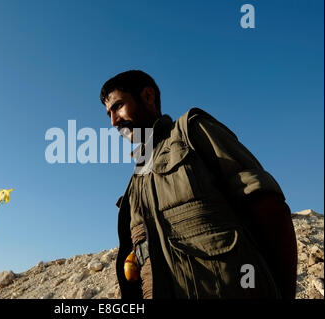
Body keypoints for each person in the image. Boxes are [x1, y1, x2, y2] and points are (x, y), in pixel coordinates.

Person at [99, 70, 298, 299]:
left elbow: (270, 209)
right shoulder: (136, 183)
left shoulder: (192, 132)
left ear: (148, 96)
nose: (114, 121)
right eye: (109, 114)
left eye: (118, 106)